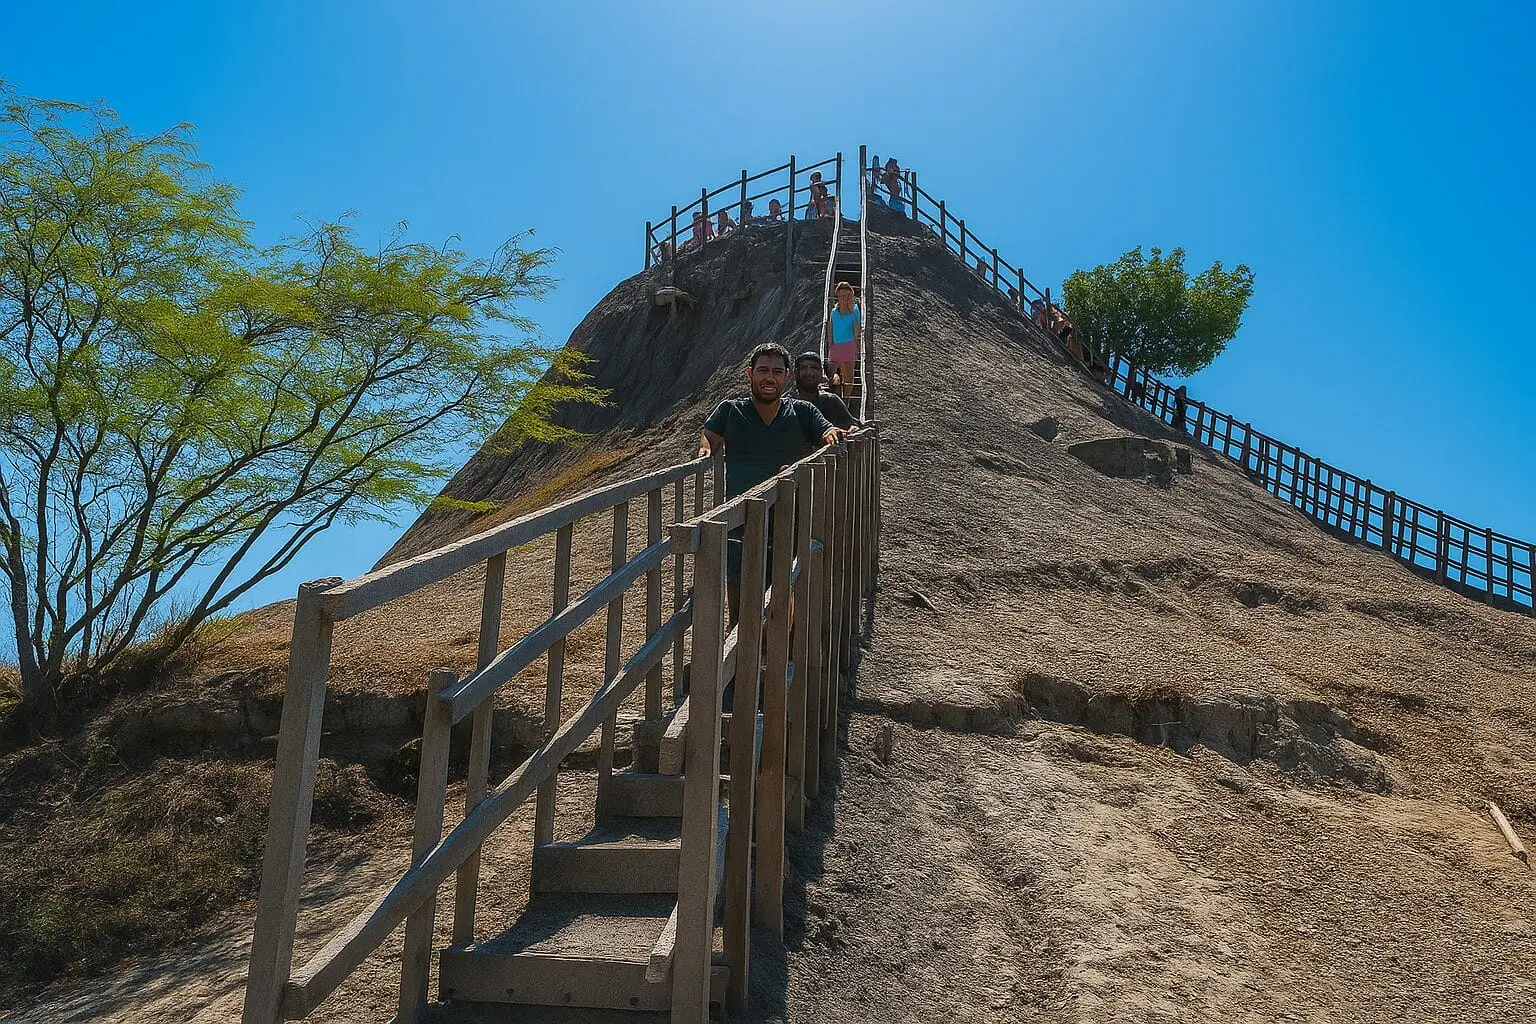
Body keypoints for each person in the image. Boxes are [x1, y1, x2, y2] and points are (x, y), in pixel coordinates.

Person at [698, 343, 844, 621]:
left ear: (787, 377)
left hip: (788, 518)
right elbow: (710, 434)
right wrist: (706, 450)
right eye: (763, 370)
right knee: (739, 602)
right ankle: (741, 657)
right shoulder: (730, 410)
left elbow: (825, 429)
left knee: (782, 600)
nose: (770, 377)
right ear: (750, 374)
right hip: (740, 522)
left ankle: (774, 656)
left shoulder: (802, 411)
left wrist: (831, 434)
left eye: (777, 371)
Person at [792, 351, 860, 433]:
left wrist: (853, 428)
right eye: (804, 368)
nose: (809, 373)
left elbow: (851, 423)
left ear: (821, 373)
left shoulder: (830, 401)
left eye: (814, 368)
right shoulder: (787, 404)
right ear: (796, 373)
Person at [825, 281, 862, 402]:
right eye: (842, 295)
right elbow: (831, 329)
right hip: (836, 346)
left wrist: (858, 346)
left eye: (847, 295)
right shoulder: (834, 311)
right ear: (838, 296)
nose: (844, 298)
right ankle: (838, 399)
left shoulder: (855, 309)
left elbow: (857, 332)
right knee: (832, 374)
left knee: (848, 377)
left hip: (848, 346)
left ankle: (846, 400)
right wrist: (830, 345)